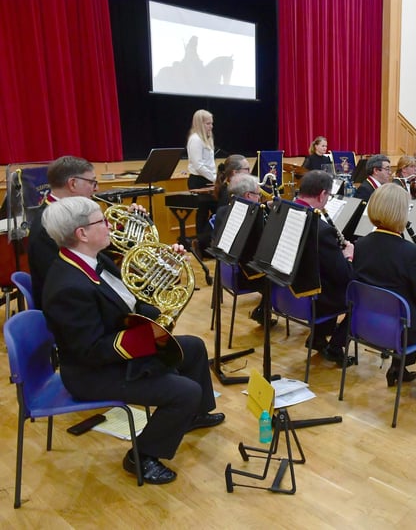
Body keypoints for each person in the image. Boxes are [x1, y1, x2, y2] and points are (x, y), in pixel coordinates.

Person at [40, 197, 223, 485]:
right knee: (184, 391)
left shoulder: (93, 259)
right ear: (82, 234)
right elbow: (89, 351)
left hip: (117, 350)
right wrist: (149, 339)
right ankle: (142, 456)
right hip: (92, 373)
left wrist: (168, 270)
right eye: (102, 221)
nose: (110, 224)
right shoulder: (67, 287)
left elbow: (130, 301)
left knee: (195, 347)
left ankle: (194, 416)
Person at [352, 183, 416, 398]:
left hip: (368, 323)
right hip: (401, 329)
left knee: (404, 305)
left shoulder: (361, 244)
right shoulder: (411, 253)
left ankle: (397, 368)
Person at [294, 170, 355, 365]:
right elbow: (343, 275)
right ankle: (335, 346)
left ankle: (318, 338)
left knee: (326, 277)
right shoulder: (322, 229)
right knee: (359, 295)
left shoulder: (287, 211)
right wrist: (348, 256)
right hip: (312, 297)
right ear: (322, 194)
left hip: (288, 291)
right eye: (328, 196)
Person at [29, 156, 99, 309]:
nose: (96, 188)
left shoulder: (71, 213)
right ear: (73, 184)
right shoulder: (46, 227)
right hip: (72, 308)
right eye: (92, 182)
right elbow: (63, 283)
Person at [212, 173, 272, 324]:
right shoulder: (254, 214)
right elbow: (262, 248)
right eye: (258, 195)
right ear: (248, 195)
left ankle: (264, 310)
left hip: (228, 272)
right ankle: (264, 311)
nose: (260, 198)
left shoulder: (223, 210)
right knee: (283, 273)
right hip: (246, 276)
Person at [186, 109, 218, 256]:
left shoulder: (207, 138)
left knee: (215, 210)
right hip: (199, 181)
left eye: (211, 123)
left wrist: (215, 176)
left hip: (209, 178)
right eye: (208, 123)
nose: (211, 126)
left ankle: (207, 242)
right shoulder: (195, 140)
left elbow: (209, 163)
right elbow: (198, 165)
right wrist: (214, 178)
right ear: (200, 123)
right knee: (203, 212)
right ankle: (201, 245)